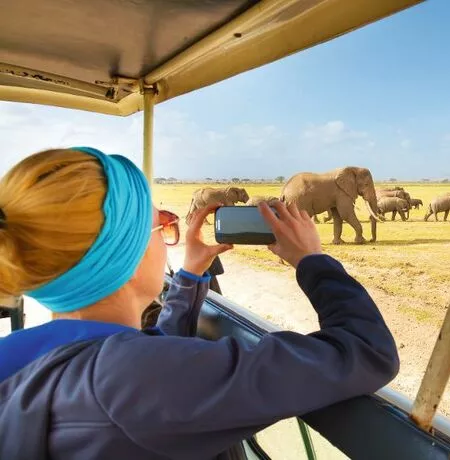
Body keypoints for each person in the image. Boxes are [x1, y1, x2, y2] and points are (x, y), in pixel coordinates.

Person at [0, 147, 399, 459]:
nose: (167, 236)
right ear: (128, 250)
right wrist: (313, 262)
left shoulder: (22, 358)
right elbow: (367, 351)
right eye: (160, 226)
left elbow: (150, 358)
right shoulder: (140, 378)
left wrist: (190, 275)